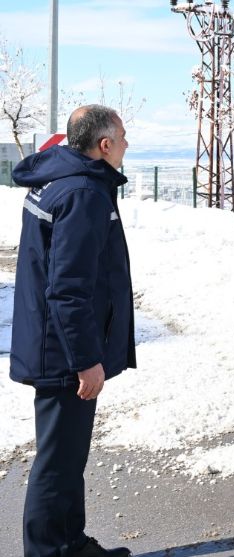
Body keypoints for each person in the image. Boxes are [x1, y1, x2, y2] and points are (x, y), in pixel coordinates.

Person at [10, 105, 135, 557]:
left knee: (66, 457)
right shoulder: (83, 192)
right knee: (58, 461)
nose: (126, 144)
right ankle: (49, 550)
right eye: (122, 136)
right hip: (62, 348)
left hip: (54, 340)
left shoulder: (63, 179)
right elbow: (68, 289)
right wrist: (86, 359)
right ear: (104, 145)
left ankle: (70, 543)